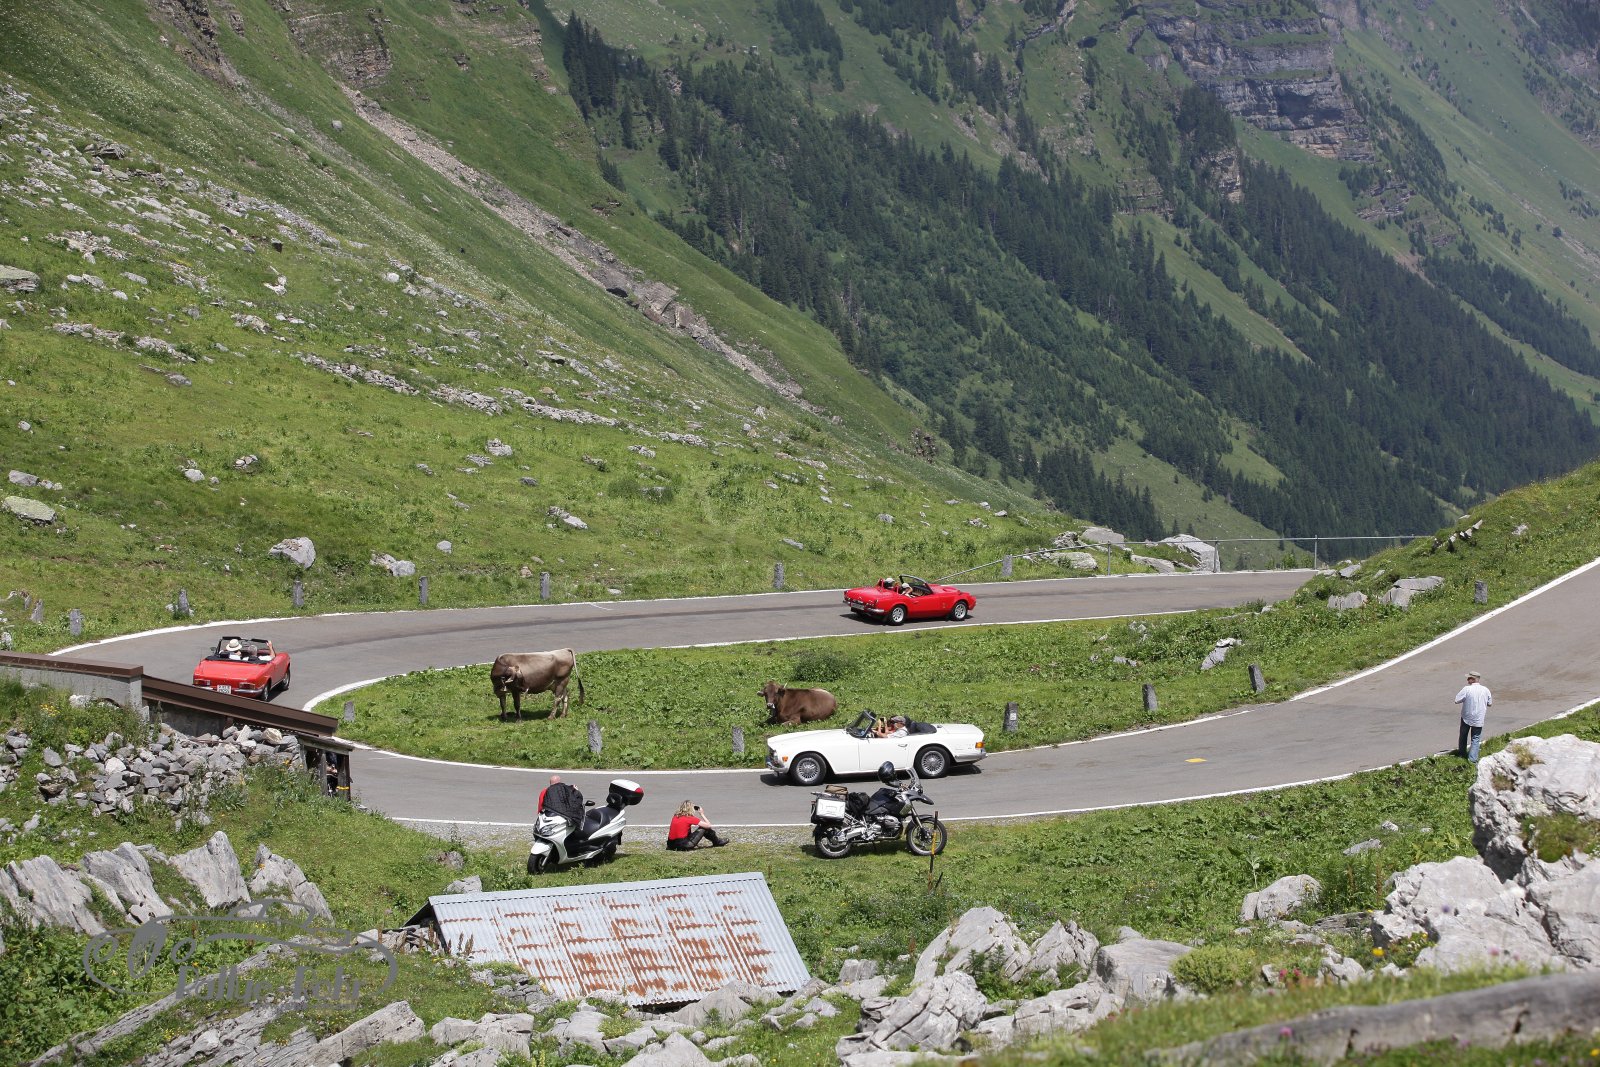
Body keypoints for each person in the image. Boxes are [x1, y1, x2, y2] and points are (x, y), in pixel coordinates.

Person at [1454, 670, 1493, 763]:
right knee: (1476, 738)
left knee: (1463, 735)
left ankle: (1462, 754)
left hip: (1466, 717)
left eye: (1469, 678)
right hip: (1479, 718)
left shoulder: (1467, 689)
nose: (1467, 680)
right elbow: (1490, 703)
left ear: (1473, 679)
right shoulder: (1486, 690)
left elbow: (1457, 700)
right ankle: (1472, 759)